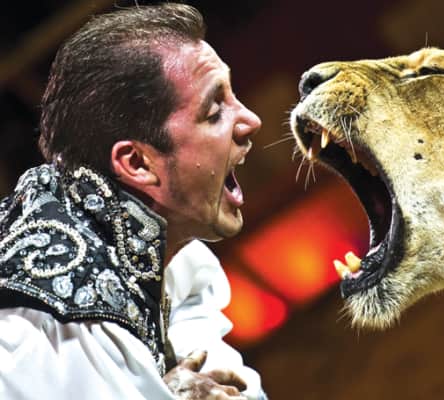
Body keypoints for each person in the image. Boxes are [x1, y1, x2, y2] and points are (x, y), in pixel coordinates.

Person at [0, 3, 266, 399]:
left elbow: (232, 381)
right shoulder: (65, 326)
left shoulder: (163, 256)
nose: (250, 121)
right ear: (138, 163)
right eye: (214, 111)